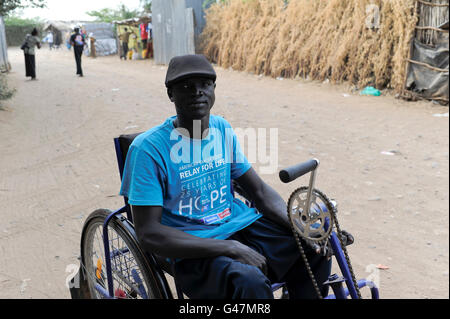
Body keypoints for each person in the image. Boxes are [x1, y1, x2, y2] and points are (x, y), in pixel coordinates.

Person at [119, 54, 335, 299]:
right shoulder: (148, 149)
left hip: (238, 225)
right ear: (171, 94)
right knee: (248, 281)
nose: (197, 92)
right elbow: (149, 234)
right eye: (186, 87)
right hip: (191, 244)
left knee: (315, 247)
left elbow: (260, 193)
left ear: (214, 89)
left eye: (205, 85)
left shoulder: (221, 128)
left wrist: (301, 227)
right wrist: (229, 248)